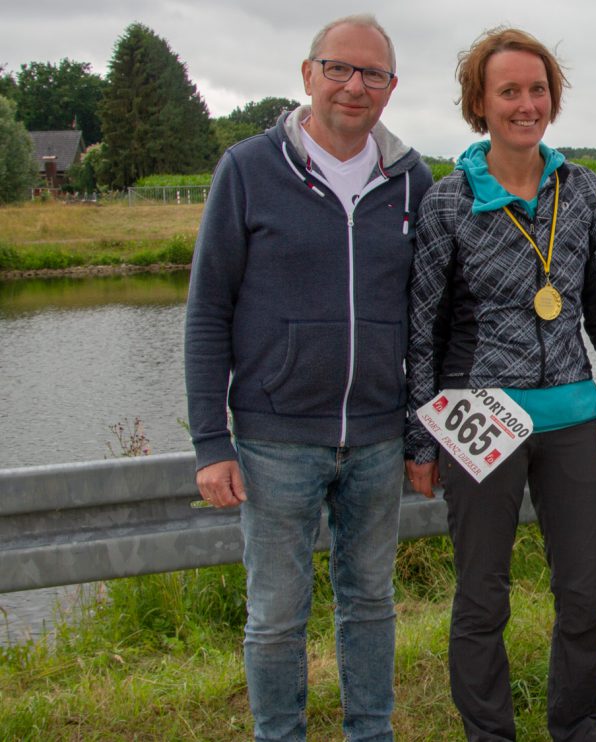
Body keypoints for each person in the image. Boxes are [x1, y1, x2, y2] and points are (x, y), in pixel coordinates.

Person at [185, 14, 431, 741]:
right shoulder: (249, 169)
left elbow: (432, 319)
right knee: (276, 617)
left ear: (391, 88)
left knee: (370, 604)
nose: (355, 86)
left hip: (380, 438)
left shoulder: (411, 179)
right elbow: (207, 313)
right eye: (339, 69)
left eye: (372, 74)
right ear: (308, 74)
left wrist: (421, 434)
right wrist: (210, 440)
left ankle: (371, 733)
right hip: (274, 440)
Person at [404, 26, 596, 742]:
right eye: (509, 91)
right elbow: (423, 330)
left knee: (585, 591)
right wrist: (420, 439)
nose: (526, 103)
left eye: (537, 89)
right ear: (480, 101)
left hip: (571, 416)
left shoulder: (583, 188)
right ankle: (489, 732)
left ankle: (577, 723)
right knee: (481, 595)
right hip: (478, 418)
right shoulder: (448, 200)